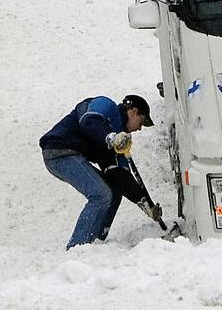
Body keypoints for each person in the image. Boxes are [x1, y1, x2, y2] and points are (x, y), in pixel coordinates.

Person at [39, 93, 154, 248]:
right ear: (133, 112)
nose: (139, 128)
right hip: (59, 151)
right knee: (101, 194)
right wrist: (110, 138)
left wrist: (144, 202)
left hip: (72, 154)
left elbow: (119, 176)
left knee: (114, 192)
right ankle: (77, 248)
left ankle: (96, 242)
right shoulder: (106, 106)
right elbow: (87, 120)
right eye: (142, 121)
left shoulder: (119, 140)